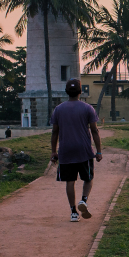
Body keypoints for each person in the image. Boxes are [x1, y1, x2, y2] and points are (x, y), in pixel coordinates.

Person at [51, 79, 103, 222]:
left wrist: (53, 152)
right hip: (83, 150)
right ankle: (84, 200)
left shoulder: (58, 109)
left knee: (70, 181)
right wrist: (98, 151)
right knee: (88, 178)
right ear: (81, 92)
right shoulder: (87, 108)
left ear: (66, 92)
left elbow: (54, 132)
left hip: (65, 150)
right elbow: (94, 130)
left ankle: (73, 212)